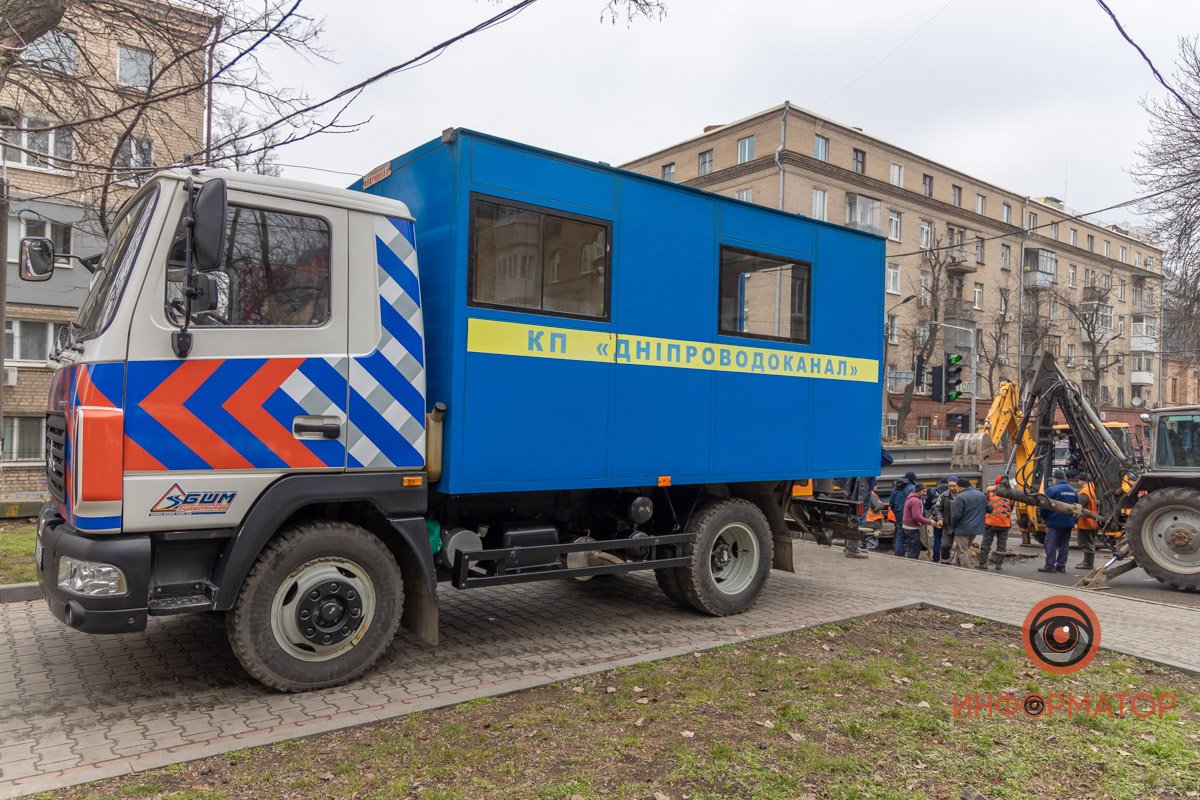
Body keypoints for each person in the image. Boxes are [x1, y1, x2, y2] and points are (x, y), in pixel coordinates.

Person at [1040, 469, 1079, 573]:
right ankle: (1061, 566)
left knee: (1050, 543)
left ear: (1055, 479)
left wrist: (1044, 518)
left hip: (1054, 522)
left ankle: (1050, 565)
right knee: (1064, 544)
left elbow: (1044, 506)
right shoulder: (1073, 491)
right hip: (1068, 522)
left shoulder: (1052, 490)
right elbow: (1077, 507)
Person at [948, 477, 986, 567]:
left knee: (962, 551)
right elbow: (989, 508)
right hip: (976, 528)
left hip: (963, 528)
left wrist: (953, 525)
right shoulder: (981, 495)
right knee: (963, 548)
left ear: (960, 487)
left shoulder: (960, 497)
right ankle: (956, 565)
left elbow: (956, 515)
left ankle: (966, 571)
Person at [979, 476, 1013, 571]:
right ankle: (999, 565)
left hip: (991, 522)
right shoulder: (1010, 494)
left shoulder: (990, 493)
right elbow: (1011, 507)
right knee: (1001, 544)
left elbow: (984, 505)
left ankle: (983, 563)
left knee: (986, 542)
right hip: (1004, 523)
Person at [842, 476, 873, 559]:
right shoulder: (866, 469)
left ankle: (849, 546)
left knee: (853, 517)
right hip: (863, 489)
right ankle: (852, 549)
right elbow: (888, 462)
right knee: (858, 519)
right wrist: (860, 502)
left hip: (858, 488)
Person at [888, 472, 918, 556]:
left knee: (900, 535)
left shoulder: (896, 487)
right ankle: (911, 555)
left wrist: (896, 511)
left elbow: (891, 502)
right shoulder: (912, 488)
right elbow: (915, 502)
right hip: (909, 515)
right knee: (912, 536)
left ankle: (898, 555)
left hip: (898, 513)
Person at [902, 484, 934, 558]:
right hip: (912, 527)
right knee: (914, 548)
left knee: (911, 546)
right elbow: (916, 516)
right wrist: (930, 522)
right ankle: (912, 564)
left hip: (908, 526)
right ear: (918, 491)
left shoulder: (911, 498)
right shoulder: (915, 501)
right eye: (923, 491)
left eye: (926, 491)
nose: (925, 493)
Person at [1075, 476, 1098, 570]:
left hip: (1085, 521)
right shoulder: (1094, 488)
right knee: (1090, 541)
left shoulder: (1085, 491)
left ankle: (1088, 563)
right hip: (1094, 520)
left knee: (1085, 542)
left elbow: (1080, 505)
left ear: (1082, 480)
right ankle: (1086, 561)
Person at [931, 479, 955, 563]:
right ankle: (946, 559)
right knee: (948, 543)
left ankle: (936, 559)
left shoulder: (933, 491)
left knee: (937, 540)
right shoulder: (950, 493)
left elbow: (930, 506)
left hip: (938, 520)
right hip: (948, 523)